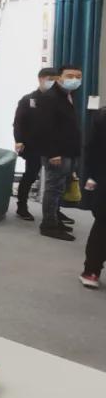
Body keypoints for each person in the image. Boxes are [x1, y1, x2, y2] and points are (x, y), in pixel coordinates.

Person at [37, 64, 83, 241]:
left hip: (68, 151)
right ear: (59, 78)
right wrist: (53, 153)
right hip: (56, 153)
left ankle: (55, 220)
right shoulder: (50, 97)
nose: (75, 79)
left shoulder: (67, 95)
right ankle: (48, 225)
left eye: (78, 76)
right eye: (70, 76)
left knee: (60, 188)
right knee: (53, 189)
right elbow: (45, 129)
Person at [13, 67, 59, 221]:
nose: (53, 83)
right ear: (41, 79)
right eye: (50, 80)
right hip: (33, 145)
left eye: (56, 80)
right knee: (30, 175)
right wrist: (19, 140)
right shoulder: (28, 99)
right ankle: (21, 206)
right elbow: (18, 122)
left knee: (57, 180)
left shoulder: (59, 100)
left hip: (54, 146)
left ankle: (55, 210)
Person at [80, 108, 106, 288]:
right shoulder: (103, 118)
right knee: (103, 225)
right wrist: (92, 177)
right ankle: (91, 270)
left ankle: (92, 269)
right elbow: (92, 149)